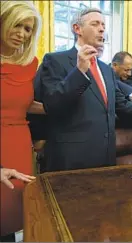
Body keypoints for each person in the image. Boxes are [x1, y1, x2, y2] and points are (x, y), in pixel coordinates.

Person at [37, 8, 132, 172]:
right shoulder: (55, 60)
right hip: (70, 159)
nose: (102, 29)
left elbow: (120, 105)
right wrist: (79, 72)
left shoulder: (106, 69)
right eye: (95, 24)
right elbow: (52, 103)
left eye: (103, 25)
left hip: (106, 157)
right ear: (77, 29)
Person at [0, 1, 44, 238]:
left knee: (13, 210)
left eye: (28, 29)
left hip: (18, 142)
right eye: (17, 24)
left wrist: (60, 108)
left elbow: (23, 104)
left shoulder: (30, 63)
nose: (22, 34)